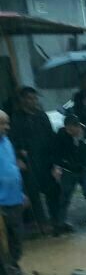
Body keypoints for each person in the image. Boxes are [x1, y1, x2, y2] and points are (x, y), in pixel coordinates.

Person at [7, 87, 57, 233]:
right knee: (33, 193)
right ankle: (42, 222)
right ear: (23, 100)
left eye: (35, 98)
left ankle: (56, 219)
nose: (33, 101)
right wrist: (18, 157)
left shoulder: (42, 116)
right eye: (30, 98)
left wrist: (56, 162)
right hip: (29, 161)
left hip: (46, 159)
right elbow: (12, 141)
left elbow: (51, 137)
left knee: (52, 190)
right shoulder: (16, 118)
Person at [52, 114, 86, 232]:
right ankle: (60, 223)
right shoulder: (61, 133)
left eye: (71, 130)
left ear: (78, 127)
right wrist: (57, 166)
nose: (69, 132)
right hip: (68, 170)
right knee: (65, 196)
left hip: (85, 169)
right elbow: (56, 151)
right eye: (67, 129)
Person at [0, 111, 28, 275]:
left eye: (7, 123)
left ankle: (13, 266)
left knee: (16, 237)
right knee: (2, 241)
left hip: (14, 198)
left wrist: (21, 193)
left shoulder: (7, 142)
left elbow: (12, 168)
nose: (7, 127)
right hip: (1, 202)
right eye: (3, 123)